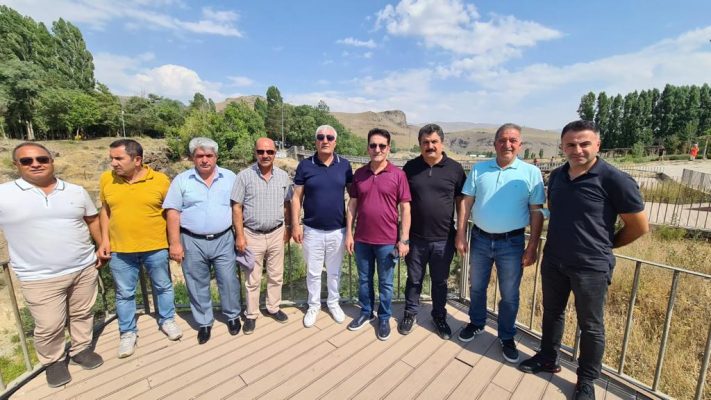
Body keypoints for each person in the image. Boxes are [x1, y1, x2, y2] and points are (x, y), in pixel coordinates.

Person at [518, 120, 649, 400]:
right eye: (571, 144)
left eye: (584, 143)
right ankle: (547, 358)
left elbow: (639, 226)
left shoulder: (615, 180)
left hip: (591, 267)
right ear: (562, 147)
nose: (577, 150)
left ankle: (586, 380)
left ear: (597, 145)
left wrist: (605, 246)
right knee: (552, 313)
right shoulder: (557, 176)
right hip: (555, 260)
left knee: (591, 326)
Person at [0, 143, 104, 387]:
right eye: (27, 161)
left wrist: (101, 246)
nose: (35, 164)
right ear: (16, 165)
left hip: (83, 267)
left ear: (51, 161)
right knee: (49, 325)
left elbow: (92, 219)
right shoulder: (4, 194)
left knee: (82, 313)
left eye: (42, 159)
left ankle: (81, 349)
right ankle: (53, 361)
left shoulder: (75, 191)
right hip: (38, 276)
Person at [455, 123, 545, 363]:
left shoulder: (531, 173)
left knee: (509, 294)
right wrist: (460, 233)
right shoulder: (479, 169)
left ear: (520, 145)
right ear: (495, 144)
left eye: (513, 140)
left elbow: (536, 211)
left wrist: (533, 246)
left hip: (512, 243)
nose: (507, 144)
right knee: (476, 287)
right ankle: (476, 323)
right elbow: (466, 202)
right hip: (480, 239)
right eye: (502, 140)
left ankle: (506, 336)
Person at [98, 139, 182, 359]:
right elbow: (105, 211)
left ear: (137, 160)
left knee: (163, 286)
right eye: (112, 158)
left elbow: (172, 212)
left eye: (119, 158)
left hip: (155, 246)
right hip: (120, 249)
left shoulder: (160, 180)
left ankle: (167, 320)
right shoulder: (107, 179)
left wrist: (174, 242)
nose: (113, 163)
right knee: (124, 293)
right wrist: (104, 240)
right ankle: (127, 332)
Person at [163, 137, 241, 344]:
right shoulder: (181, 180)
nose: (205, 160)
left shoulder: (230, 177)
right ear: (192, 158)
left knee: (229, 280)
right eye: (200, 156)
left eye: (209, 155)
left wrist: (240, 235)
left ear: (216, 157)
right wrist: (174, 243)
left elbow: (237, 207)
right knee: (196, 283)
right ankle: (204, 322)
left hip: (224, 238)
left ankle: (232, 316)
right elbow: (172, 212)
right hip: (192, 240)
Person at [399, 124, 466, 339]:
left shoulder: (455, 169)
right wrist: (403, 237)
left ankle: (439, 316)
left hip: (443, 240)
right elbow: (403, 203)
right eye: (425, 142)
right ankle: (410, 313)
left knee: (439, 282)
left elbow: (461, 203)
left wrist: (460, 233)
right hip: (416, 239)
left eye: (434, 142)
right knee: (414, 280)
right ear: (420, 144)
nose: (430, 146)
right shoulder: (410, 168)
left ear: (442, 143)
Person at [345, 128, 411, 341]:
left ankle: (384, 317)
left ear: (388, 148)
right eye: (373, 145)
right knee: (364, 280)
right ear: (368, 148)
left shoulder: (398, 175)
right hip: (362, 239)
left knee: (386, 283)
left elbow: (405, 208)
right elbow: (352, 205)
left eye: (382, 146)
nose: (377, 149)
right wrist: (349, 234)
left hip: (387, 241)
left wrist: (404, 239)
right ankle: (366, 312)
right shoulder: (359, 174)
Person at [291, 125, 353, 327]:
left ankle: (333, 303)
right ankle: (314, 305)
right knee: (313, 273)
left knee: (334, 272)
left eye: (329, 137)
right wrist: (295, 225)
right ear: (315, 141)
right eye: (320, 137)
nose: (325, 140)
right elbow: (296, 197)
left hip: (338, 230)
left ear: (335, 142)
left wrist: (351, 229)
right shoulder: (305, 165)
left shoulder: (344, 165)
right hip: (312, 230)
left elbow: (354, 198)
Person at [232, 137, 293, 335]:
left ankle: (273, 307)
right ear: (255, 153)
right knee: (253, 278)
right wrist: (240, 236)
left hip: (276, 233)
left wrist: (289, 227)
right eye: (261, 151)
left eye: (269, 152)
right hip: (252, 235)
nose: (265, 155)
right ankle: (251, 314)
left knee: (276, 275)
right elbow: (237, 207)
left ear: (275, 153)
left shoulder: (283, 176)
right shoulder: (244, 176)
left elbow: (287, 204)